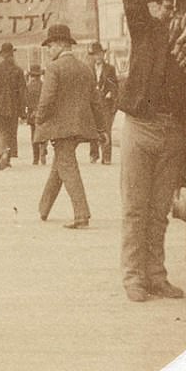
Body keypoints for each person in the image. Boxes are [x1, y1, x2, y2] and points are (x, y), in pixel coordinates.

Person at [118, 0, 186, 302]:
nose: (167, 9)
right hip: (140, 127)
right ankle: (133, 277)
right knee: (135, 209)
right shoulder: (145, 31)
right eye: (164, 5)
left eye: (172, 5)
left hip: (173, 131)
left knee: (159, 211)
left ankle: (156, 276)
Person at [34, 24, 106, 229]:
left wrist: (39, 119)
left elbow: (47, 99)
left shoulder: (54, 68)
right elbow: (96, 102)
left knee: (67, 167)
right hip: (80, 127)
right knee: (60, 165)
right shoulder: (85, 68)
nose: (49, 50)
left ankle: (81, 214)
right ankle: (44, 208)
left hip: (60, 128)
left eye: (50, 46)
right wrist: (102, 130)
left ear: (59, 44)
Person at [0, 42, 27, 170]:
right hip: (13, 106)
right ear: (12, 54)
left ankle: (3, 153)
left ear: (2, 55)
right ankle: (7, 155)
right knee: (11, 132)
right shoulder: (18, 70)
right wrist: (23, 110)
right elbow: (22, 91)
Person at [87, 41, 120, 164]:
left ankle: (106, 157)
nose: (98, 57)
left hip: (106, 103)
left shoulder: (110, 68)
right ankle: (94, 154)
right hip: (93, 103)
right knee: (93, 128)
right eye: (95, 55)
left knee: (106, 129)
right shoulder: (89, 68)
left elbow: (114, 84)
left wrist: (111, 93)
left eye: (99, 54)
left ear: (103, 55)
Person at [24, 63, 47, 165]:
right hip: (42, 113)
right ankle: (43, 149)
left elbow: (26, 101)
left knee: (33, 135)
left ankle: (35, 158)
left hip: (32, 114)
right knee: (43, 133)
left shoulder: (28, 87)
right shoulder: (44, 86)